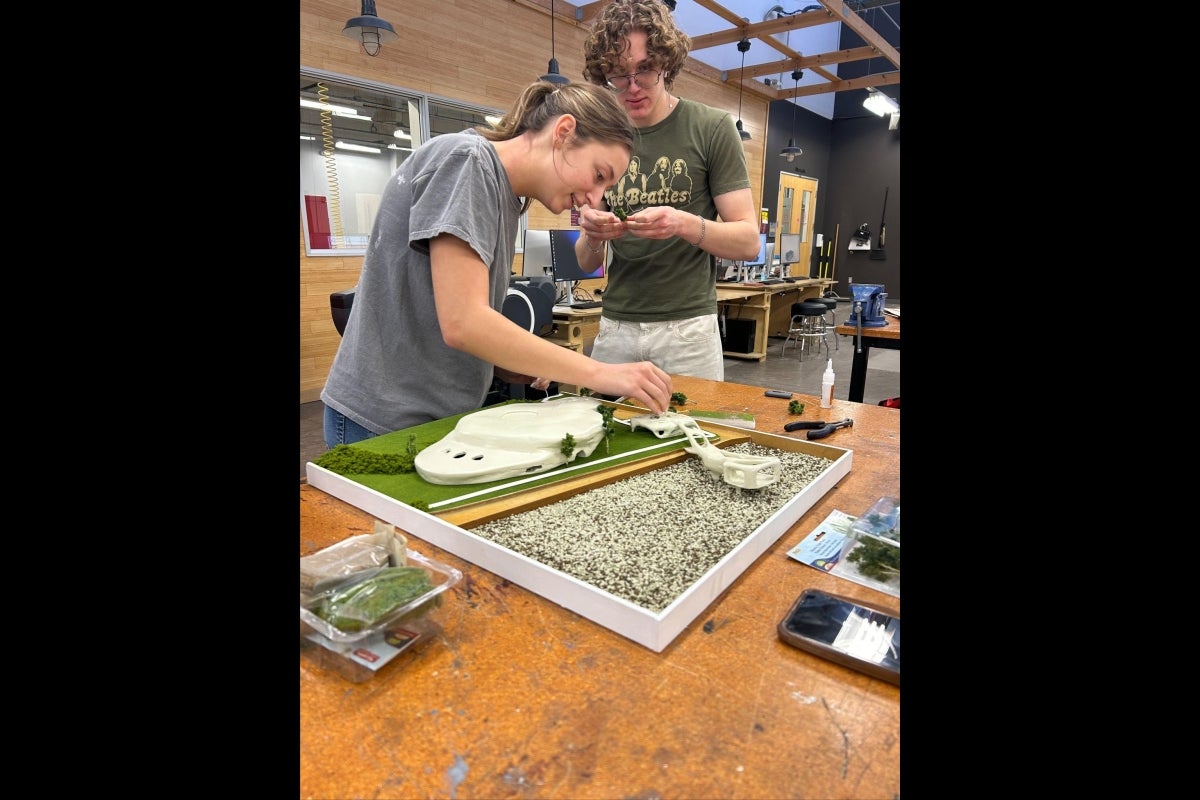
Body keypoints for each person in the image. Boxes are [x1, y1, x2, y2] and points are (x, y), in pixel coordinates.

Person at [321, 80, 674, 448]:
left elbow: (446, 314)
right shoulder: (467, 162)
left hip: (431, 417)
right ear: (564, 132)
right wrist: (603, 374)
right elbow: (463, 322)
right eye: (599, 176)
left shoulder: (506, 195)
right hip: (384, 421)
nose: (594, 198)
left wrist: (508, 362)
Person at [576, 0, 762, 381]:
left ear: (666, 63)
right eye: (618, 74)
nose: (632, 87)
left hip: (688, 330)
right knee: (607, 436)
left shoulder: (710, 128)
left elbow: (748, 242)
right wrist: (593, 235)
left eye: (645, 69)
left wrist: (682, 224)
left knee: (694, 436)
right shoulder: (601, 137)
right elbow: (584, 261)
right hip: (616, 326)